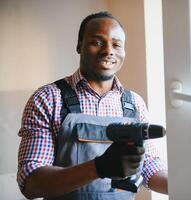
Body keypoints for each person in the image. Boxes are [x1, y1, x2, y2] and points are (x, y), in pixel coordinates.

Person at [17, 11, 168, 200]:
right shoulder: (48, 99)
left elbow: (149, 167)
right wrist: (99, 167)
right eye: (97, 42)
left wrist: (188, 184)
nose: (108, 51)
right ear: (79, 46)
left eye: (116, 45)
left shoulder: (135, 104)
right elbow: (31, 182)